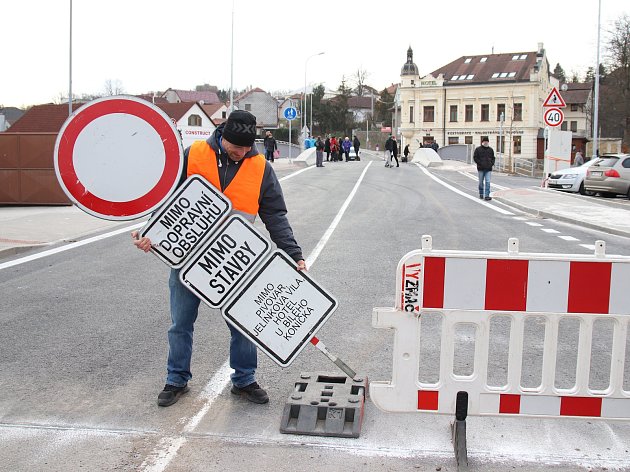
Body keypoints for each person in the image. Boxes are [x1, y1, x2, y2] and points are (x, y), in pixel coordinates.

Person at [132, 110, 307, 407]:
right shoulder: (194, 154)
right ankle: (176, 379)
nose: (239, 154)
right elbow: (166, 198)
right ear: (222, 136)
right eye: (234, 148)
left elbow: (274, 215)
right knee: (181, 323)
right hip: (187, 258)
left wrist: (294, 254)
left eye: (244, 149)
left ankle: (244, 379)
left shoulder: (261, 166)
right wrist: (150, 232)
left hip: (234, 259)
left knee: (243, 322)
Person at [473, 136, 495, 201]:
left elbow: (493, 158)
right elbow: (475, 157)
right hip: (481, 169)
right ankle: (481, 193)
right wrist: (480, 163)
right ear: (482, 142)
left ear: (488, 142)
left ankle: (487, 195)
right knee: (480, 182)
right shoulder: (478, 149)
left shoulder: (490, 150)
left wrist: (491, 163)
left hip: (488, 169)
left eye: (487, 141)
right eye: (484, 141)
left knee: (488, 182)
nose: (485, 142)